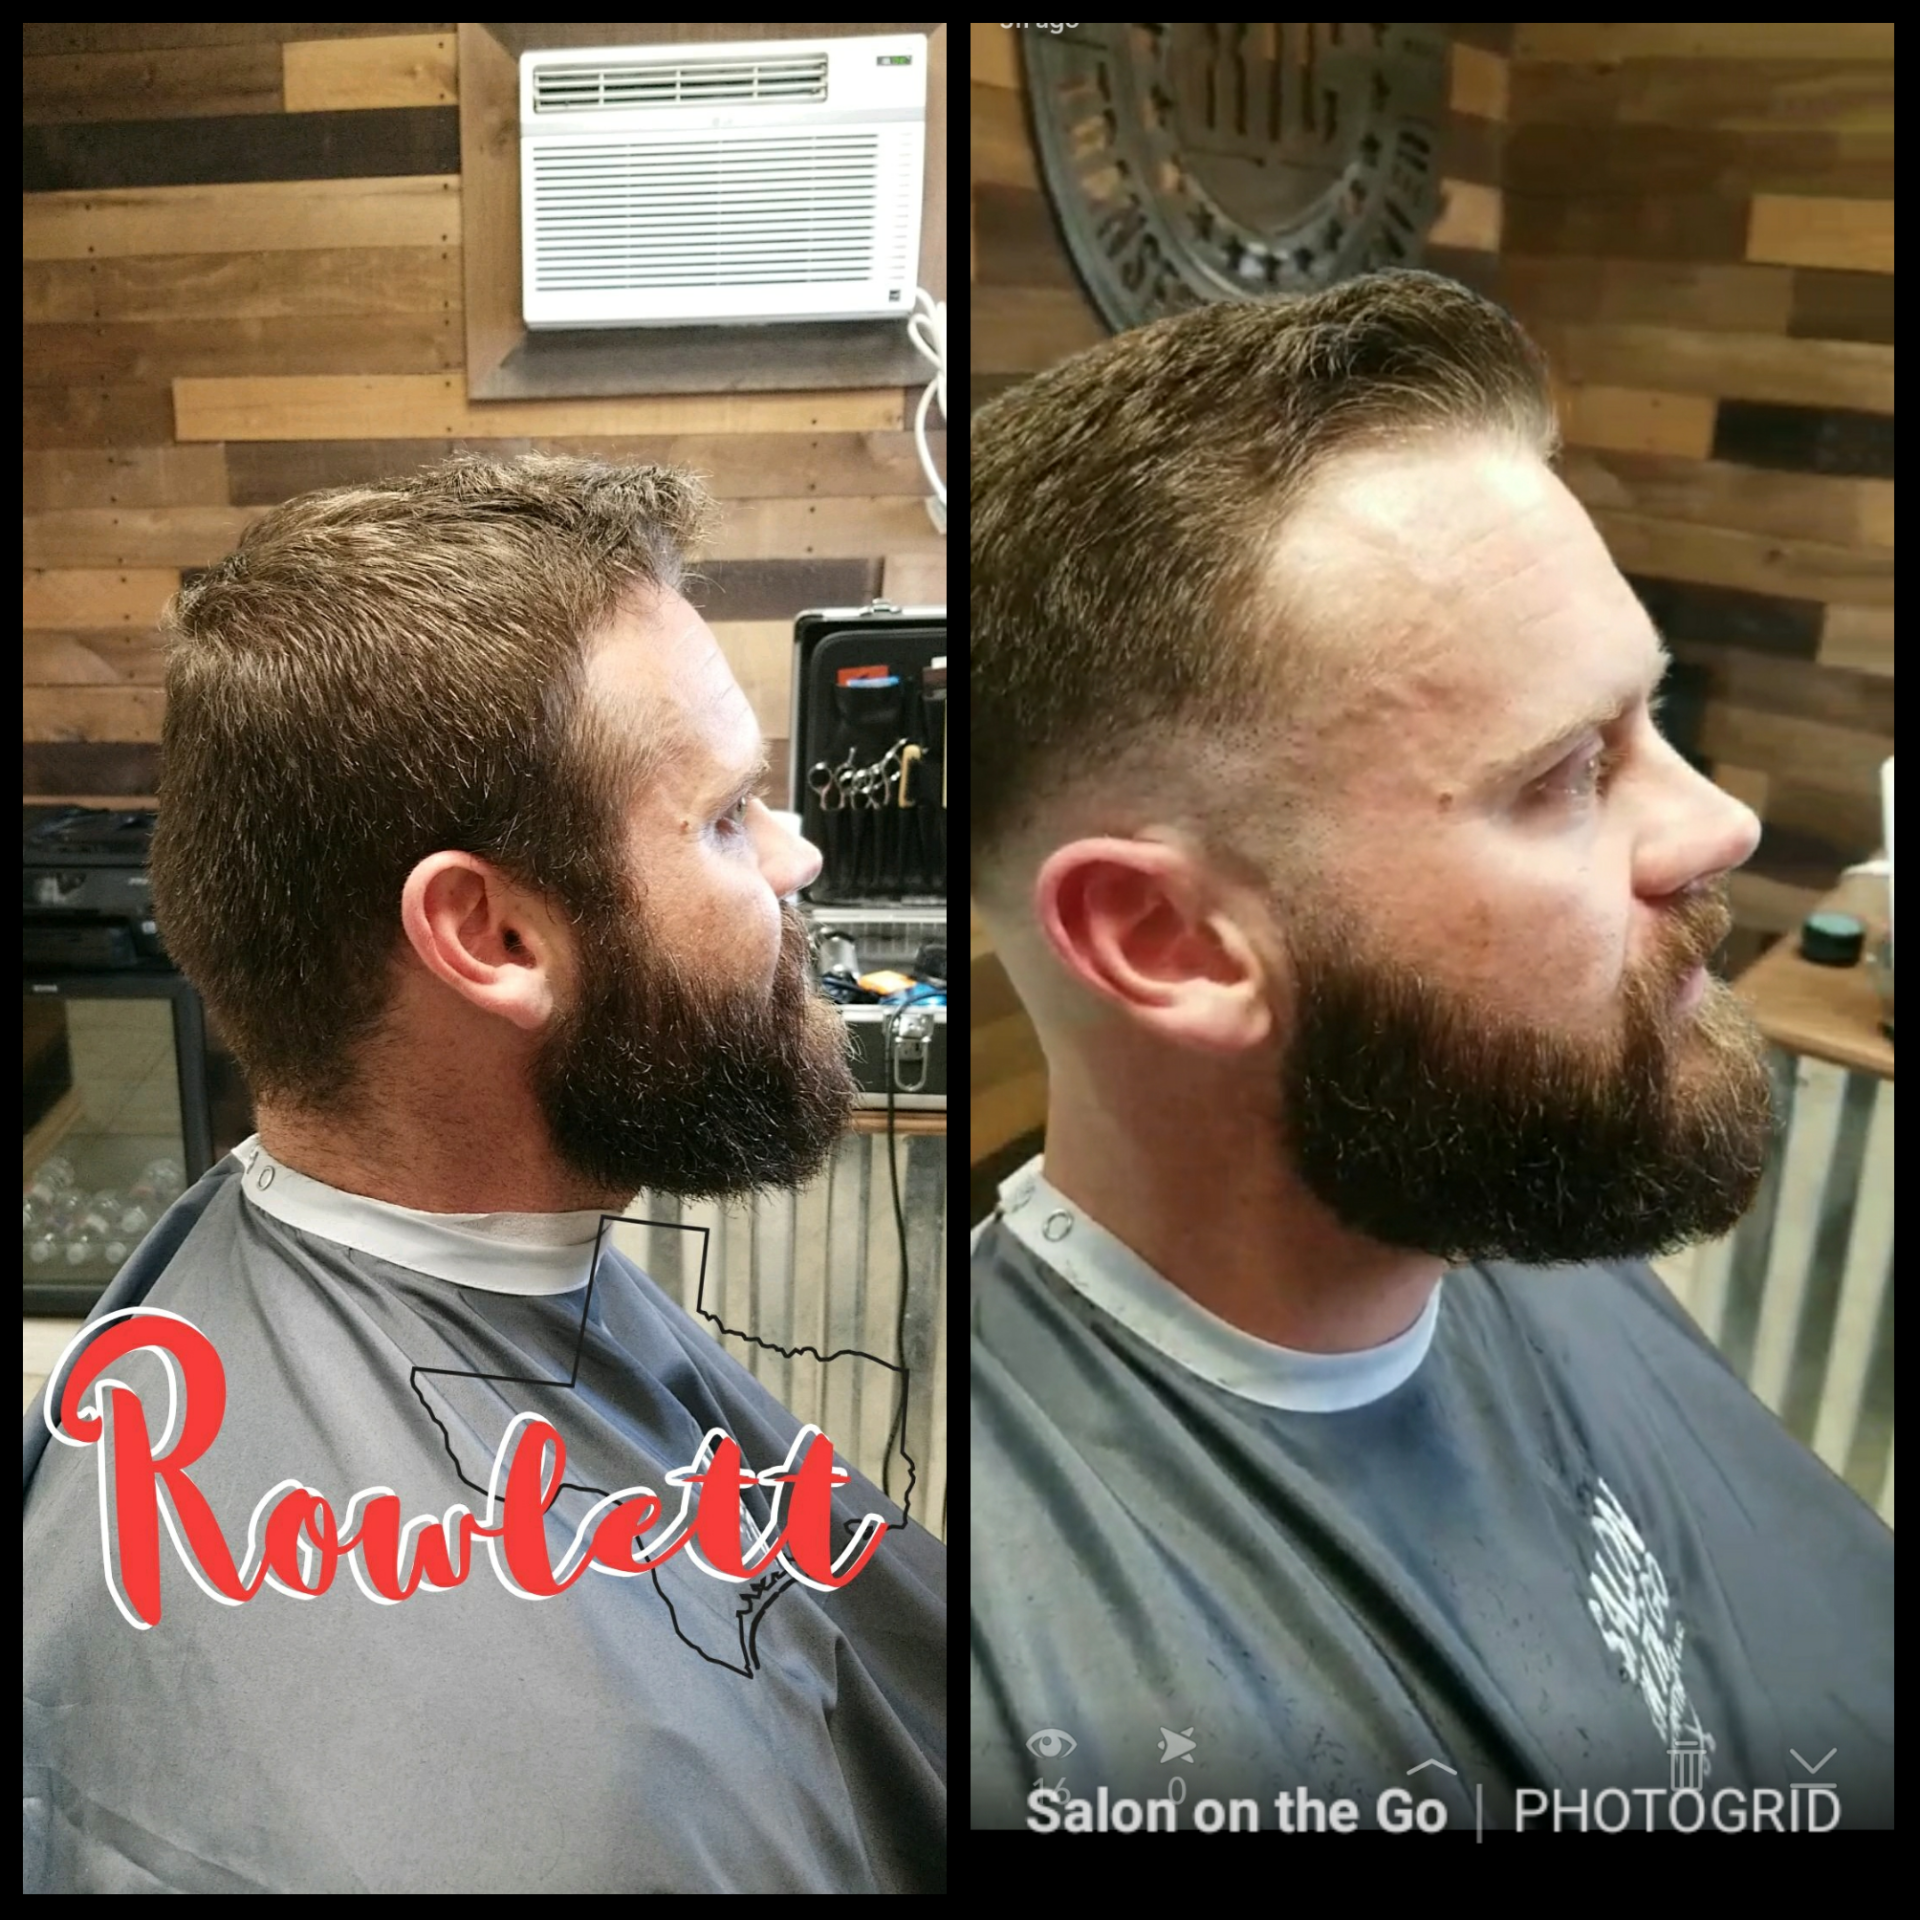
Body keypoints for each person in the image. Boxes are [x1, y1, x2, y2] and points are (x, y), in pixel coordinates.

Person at [969, 271, 1892, 1833]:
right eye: (1566, 775)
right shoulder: (1020, 1684)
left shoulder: (1507, 1175)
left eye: (1649, 721)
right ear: (1170, 943)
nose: (1721, 826)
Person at [22, 453, 945, 1892]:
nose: (798, 852)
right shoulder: (558, 1828)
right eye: (722, 816)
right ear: (496, 938)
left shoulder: (375, 1249)